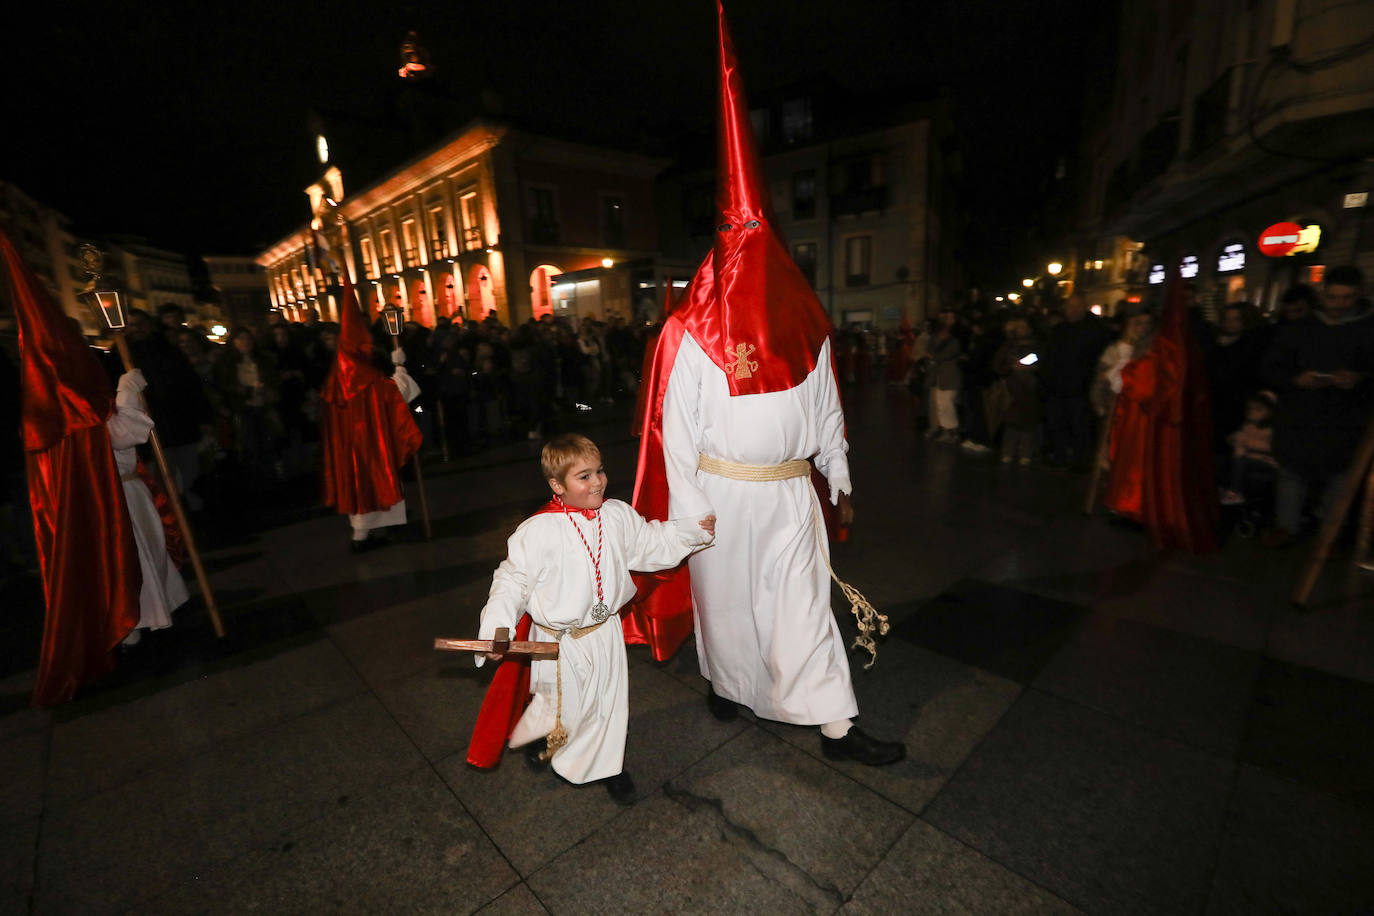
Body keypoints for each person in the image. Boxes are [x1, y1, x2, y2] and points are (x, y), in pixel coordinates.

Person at [632, 4, 904, 768]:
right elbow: (675, 432)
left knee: (799, 606)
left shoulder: (805, 325)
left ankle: (836, 727)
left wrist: (838, 476)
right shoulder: (689, 333)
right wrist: (688, 512)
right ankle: (725, 682)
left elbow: (824, 413)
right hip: (720, 498)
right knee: (726, 609)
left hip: (787, 493)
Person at [470, 434, 715, 805]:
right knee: (565, 703)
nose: (597, 481)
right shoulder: (537, 532)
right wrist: (497, 629)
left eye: (599, 471)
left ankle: (607, 767)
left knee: (607, 703)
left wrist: (692, 532)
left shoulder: (615, 515)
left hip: (605, 631)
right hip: (559, 641)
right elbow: (511, 582)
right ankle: (551, 743)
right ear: (557, 485)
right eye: (583, 476)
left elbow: (650, 544)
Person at [1258, 265, 1374, 547]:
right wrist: (1296, 378)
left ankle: (1329, 531)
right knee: (1292, 473)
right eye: (1333, 297)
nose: (1338, 305)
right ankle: (1287, 526)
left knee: (1340, 476)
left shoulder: (1368, 329)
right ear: (1323, 294)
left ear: (1359, 295)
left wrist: (1359, 379)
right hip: (1301, 414)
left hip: (1346, 418)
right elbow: (1269, 369)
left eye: (1346, 298)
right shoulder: (1299, 329)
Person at [320, 283, 424, 552]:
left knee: (360, 489)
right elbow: (399, 392)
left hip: (351, 448)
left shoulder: (337, 380)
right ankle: (365, 537)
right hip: (372, 446)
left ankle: (368, 534)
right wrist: (399, 365)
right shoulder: (365, 379)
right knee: (375, 483)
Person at [107, 370, 189, 644]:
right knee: (134, 557)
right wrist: (127, 388)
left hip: (130, 489)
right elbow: (121, 434)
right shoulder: (75, 403)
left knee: (151, 551)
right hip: (116, 496)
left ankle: (153, 613)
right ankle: (133, 625)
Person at [1041, 293, 1113, 468]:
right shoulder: (1059, 330)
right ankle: (1060, 455)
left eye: (1076, 307)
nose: (1071, 311)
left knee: (1079, 425)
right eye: (1069, 308)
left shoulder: (1097, 330)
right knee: (1057, 423)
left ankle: (1081, 459)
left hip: (1081, 388)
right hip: (1057, 387)